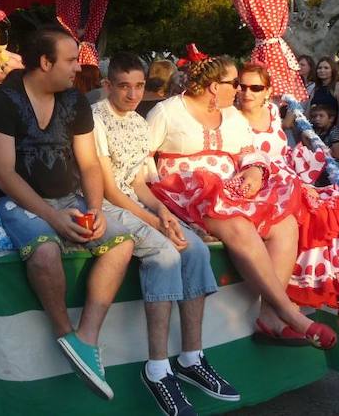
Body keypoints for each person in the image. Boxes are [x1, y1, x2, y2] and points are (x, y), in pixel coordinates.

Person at [0, 26, 134, 401]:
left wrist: (94, 208)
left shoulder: (75, 100)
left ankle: (86, 339)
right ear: (45, 62)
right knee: (45, 250)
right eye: (70, 60)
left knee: (121, 244)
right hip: (15, 201)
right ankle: (65, 334)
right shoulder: (0, 101)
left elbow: (89, 164)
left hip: (70, 199)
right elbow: (3, 174)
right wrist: (51, 215)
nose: (78, 68)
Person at [148, 54, 336, 350]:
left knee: (285, 223)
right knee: (238, 226)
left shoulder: (233, 117)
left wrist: (254, 172)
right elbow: (144, 157)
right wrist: (152, 198)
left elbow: (250, 154)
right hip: (184, 192)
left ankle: (269, 315)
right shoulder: (167, 111)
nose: (238, 89)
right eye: (234, 83)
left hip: (232, 189)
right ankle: (289, 313)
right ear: (214, 86)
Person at [92, 53, 237, 414]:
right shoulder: (95, 119)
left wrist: (163, 212)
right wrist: (153, 220)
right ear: (108, 85)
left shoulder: (139, 123)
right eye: (124, 86)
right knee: (166, 253)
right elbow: (110, 189)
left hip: (135, 203)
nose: (132, 94)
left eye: (139, 86)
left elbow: (140, 182)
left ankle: (191, 356)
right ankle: (157, 368)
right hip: (105, 205)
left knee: (195, 249)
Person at [238, 64, 339, 337]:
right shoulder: (231, 119)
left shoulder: (274, 113)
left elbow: (284, 154)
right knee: (319, 214)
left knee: (337, 208)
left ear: (268, 91)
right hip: (258, 189)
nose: (247, 92)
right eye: (241, 86)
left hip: (287, 182)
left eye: (255, 87)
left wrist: (299, 182)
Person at [307, 102, 339, 187]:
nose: (317, 119)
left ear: (331, 118)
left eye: (321, 116)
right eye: (315, 116)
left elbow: (338, 154)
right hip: (319, 169)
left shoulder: (334, 132)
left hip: (331, 172)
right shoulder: (316, 130)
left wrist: (321, 151)